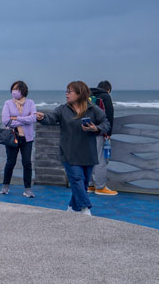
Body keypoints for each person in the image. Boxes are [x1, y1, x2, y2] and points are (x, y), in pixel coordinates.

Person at [36, 81, 110, 215]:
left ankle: (72, 208)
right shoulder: (63, 109)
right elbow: (51, 118)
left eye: (69, 91)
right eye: (66, 91)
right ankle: (85, 208)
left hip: (88, 153)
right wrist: (42, 117)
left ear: (79, 93)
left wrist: (96, 128)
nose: (66, 94)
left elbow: (106, 123)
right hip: (69, 152)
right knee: (76, 179)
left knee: (83, 183)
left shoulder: (93, 109)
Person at [0, 80, 37, 198]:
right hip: (12, 137)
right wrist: (24, 118)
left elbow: (34, 118)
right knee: (10, 162)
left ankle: (28, 189)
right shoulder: (8, 103)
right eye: (13, 89)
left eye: (17, 89)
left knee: (27, 163)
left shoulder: (30, 103)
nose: (14, 91)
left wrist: (17, 118)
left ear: (23, 91)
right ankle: (5, 186)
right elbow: (6, 121)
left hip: (27, 138)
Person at [88, 80, 118, 196]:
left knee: (88, 159)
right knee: (101, 159)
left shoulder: (88, 95)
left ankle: (89, 185)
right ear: (108, 90)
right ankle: (100, 187)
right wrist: (108, 132)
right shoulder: (105, 97)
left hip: (86, 131)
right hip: (99, 132)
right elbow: (109, 114)